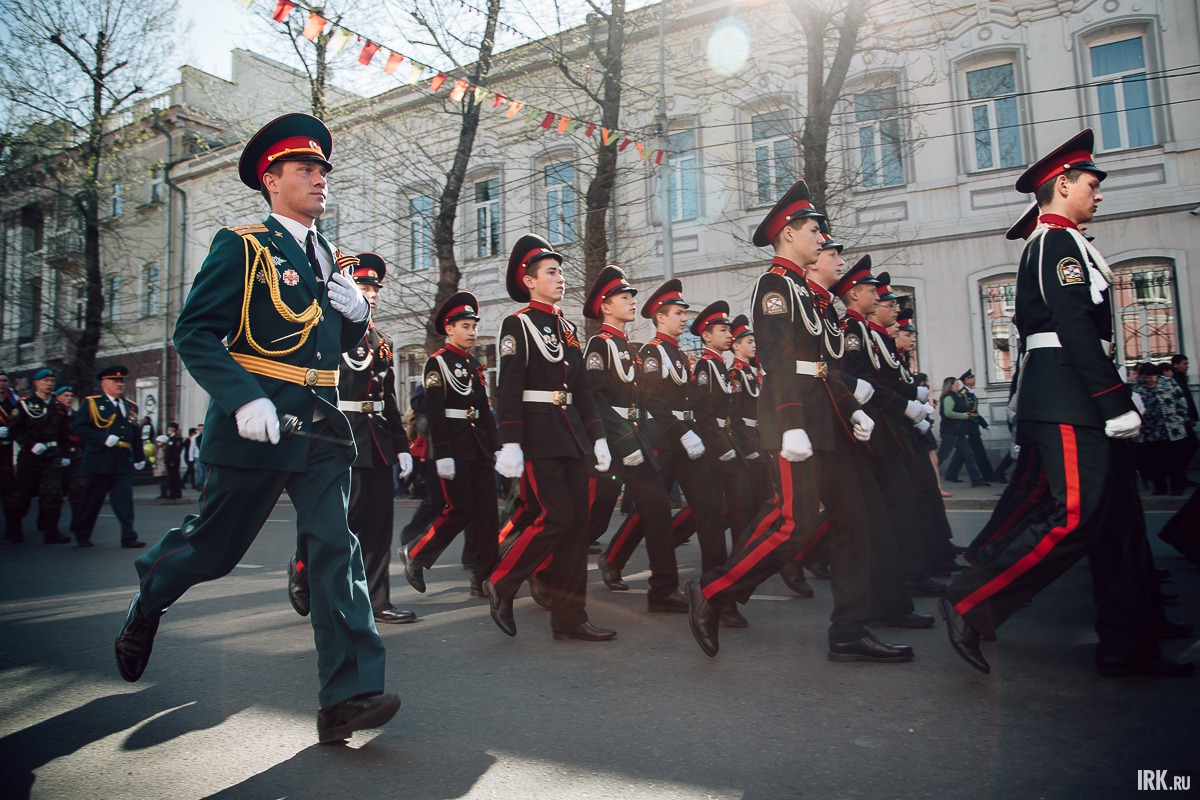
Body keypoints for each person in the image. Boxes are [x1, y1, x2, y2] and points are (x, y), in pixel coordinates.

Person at [113, 113, 401, 743]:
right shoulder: (242, 246)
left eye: (324, 168)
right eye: (307, 168)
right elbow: (195, 332)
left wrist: (353, 318)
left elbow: (326, 346)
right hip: (261, 422)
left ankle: (347, 697)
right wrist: (244, 398)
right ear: (272, 180)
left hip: (321, 424)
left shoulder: (328, 257)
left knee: (335, 549)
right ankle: (151, 593)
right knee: (215, 550)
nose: (320, 178)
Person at [939, 129, 1192, 678]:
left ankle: (1129, 644)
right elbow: (1074, 325)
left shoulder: (1070, 241)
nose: (1098, 193)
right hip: (1067, 398)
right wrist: (1112, 400)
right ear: (1062, 185)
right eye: (1091, 183)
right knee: (1073, 516)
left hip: (1077, 393)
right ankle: (970, 602)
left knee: (1119, 525)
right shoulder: (1054, 242)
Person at [685, 179, 911, 663]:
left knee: (855, 521)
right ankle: (712, 590)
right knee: (795, 524)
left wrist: (852, 410)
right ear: (788, 234)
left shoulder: (812, 295)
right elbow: (779, 357)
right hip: (797, 420)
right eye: (813, 231)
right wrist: (789, 422)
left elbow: (825, 367)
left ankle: (850, 631)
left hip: (828, 419)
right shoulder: (774, 287)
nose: (820, 241)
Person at [483, 233, 615, 642]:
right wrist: (510, 442)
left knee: (577, 527)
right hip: (538, 432)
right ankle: (502, 582)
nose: (560, 279)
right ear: (529, 280)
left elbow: (582, 391)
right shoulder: (516, 324)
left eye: (561, 272)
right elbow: (509, 386)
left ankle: (570, 617)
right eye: (552, 272)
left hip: (571, 432)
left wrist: (598, 438)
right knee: (554, 518)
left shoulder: (569, 328)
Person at [287, 253, 417, 625]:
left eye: (375, 289)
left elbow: (388, 398)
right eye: (363, 287)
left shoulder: (383, 341)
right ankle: (301, 566)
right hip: (337, 438)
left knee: (377, 524)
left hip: (375, 442)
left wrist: (403, 445)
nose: (371, 295)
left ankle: (378, 602)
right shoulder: (326, 332)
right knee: (336, 520)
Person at [579, 266, 684, 612]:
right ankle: (547, 572)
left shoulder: (629, 345)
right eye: (624, 297)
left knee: (656, 510)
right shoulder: (600, 344)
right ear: (606, 306)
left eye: (631, 296)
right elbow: (593, 398)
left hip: (634, 438)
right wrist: (621, 440)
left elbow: (643, 397)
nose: (631, 301)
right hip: (611, 443)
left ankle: (664, 591)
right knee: (594, 518)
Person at [399, 291, 500, 600]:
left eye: (473, 326)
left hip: (478, 447)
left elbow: (483, 410)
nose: (472, 332)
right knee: (458, 510)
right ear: (449, 329)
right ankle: (416, 553)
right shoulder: (437, 364)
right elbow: (435, 411)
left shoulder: (474, 365)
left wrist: (495, 446)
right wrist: (442, 454)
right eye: (465, 326)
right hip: (453, 447)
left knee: (486, 515)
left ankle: (484, 577)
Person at [71, 365, 146, 547]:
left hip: (122, 460)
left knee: (124, 502)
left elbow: (134, 433)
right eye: (115, 381)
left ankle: (129, 537)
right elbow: (79, 428)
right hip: (99, 460)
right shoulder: (92, 403)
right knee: (92, 500)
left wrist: (139, 457)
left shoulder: (130, 406)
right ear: (104, 383)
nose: (120, 384)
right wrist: (103, 438)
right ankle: (82, 534)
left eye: (121, 381)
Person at [9, 368, 72, 544]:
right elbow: (15, 430)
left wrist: (65, 454)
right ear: (36, 383)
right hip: (30, 456)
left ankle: (51, 532)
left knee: (53, 493)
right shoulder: (25, 404)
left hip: (52, 455)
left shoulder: (58, 407)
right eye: (45, 381)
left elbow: (63, 434)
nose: (49, 384)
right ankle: (14, 528)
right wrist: (29, 445)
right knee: (24, 493)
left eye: (51, 381)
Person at [943, 369, 995, 483]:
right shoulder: (962, 394)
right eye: (972, 377)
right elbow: (964, 411)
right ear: (966, 380)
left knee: (964, 453)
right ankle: (988, 475)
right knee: (978, 451)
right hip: (968, 426)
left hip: (971, 425)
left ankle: (951, 474)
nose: (974, 379)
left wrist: (984, 424)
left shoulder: (970, 393)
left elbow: (975, 411)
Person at [936, 377, 987, 487]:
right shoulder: (948, 397)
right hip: (950, 432)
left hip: (959, 432)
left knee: (968, 455)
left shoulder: (957, 396)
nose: (957, 386)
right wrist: (962, 416)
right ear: (950, 385)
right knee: (941, 457)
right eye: (955, 384)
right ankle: (926, 477)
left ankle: (976, 480)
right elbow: (947, 413)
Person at [1, 368, 21, 542]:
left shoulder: (14, 402)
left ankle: (13, 529)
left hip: (8, 452)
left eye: (4, 381)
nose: (1, 384)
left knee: (12, 493)